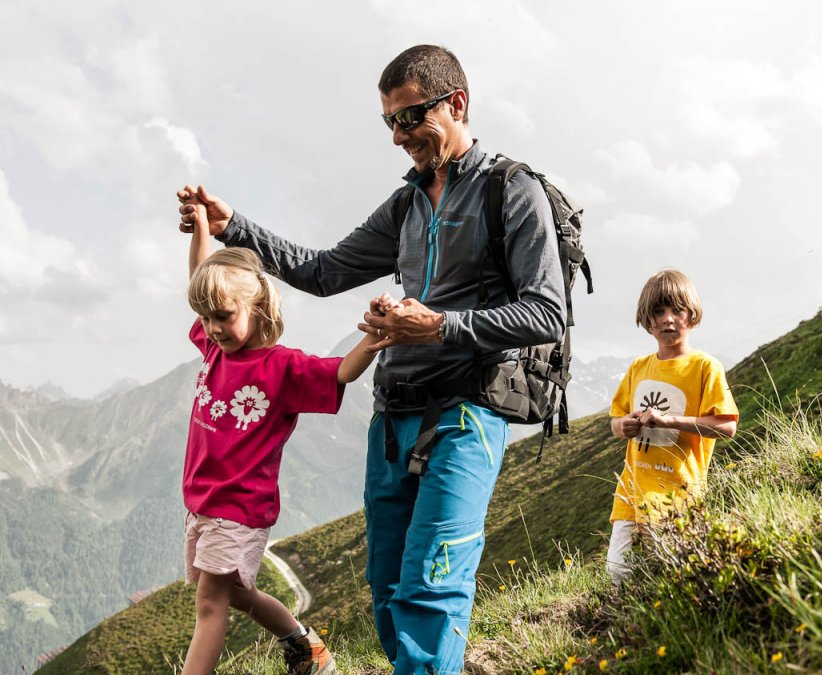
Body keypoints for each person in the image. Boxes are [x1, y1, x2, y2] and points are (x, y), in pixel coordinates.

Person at [176, 45, 566, 673]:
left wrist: (437, 324)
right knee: (386, 590)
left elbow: (547, 313)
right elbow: (327, 271)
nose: (399, 136)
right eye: (389, 122)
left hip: (467, 411)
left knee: (431, 586)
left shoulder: (511, 191)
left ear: (457, 102)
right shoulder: (407, 204)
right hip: (393, 415)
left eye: (411, 118)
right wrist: (233, 228)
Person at [179, 203, 379, 675]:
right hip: (204, 504)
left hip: (239, 510)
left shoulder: (282, 368)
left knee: (211, 605)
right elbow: (202, 276)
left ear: (258, 307)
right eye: (206, 318)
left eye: (224, 316)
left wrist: (373, 339)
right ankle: (305, 647)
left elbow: (339, 373)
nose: (212, 327)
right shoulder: (214, 348)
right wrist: (203, 226)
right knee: (238, 595)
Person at [605, 270, 739, 586]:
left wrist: (670, 421)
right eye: (658, 312)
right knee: (618, 572)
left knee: (670, 575)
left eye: (676, 310)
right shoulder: (638, 367)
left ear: (691, 315)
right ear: (647, 320)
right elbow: (615, 421)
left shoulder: (705, 367)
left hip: (679, 493)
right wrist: (624, 425)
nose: (668, 319)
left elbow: (726, 427)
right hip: (631, 490)